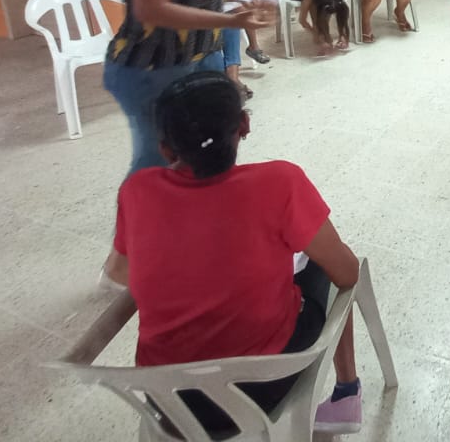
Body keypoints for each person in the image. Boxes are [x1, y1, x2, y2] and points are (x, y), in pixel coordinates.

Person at [105, 73, 365, 435]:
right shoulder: (280, 182)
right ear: (244, 124)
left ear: (165, 148)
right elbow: (349, 273)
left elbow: (119, 272)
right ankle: (346, 392)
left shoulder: (136, 191)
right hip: (260, 389)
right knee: (326, 263)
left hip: (167, 400)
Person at [100, 0, 272, 282]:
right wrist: (229, 22)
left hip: (186, 63)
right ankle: (120, 263)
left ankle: (182, 236)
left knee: (187, 157)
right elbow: (152, 9)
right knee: (152, 162)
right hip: (151, 69)